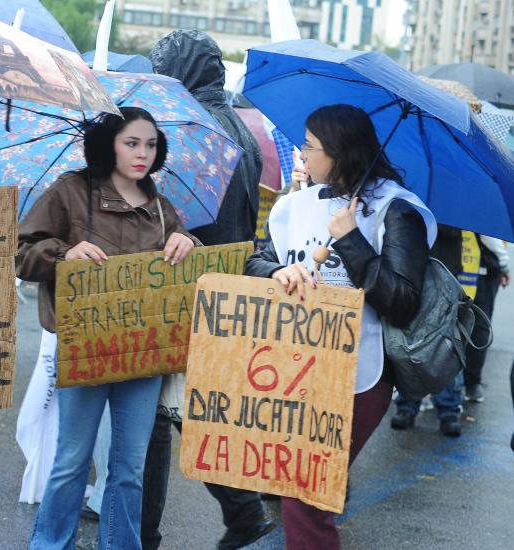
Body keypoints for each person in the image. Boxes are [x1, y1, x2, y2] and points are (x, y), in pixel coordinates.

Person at [245, 104, 437, 549]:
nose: (302, 155)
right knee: (302, 489)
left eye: (310, 146)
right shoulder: (295, 204)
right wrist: (278, 271)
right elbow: (257, 260)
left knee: (305, 492)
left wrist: (351, 239)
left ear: (339, 150)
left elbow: (402, 301)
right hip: (294, 369)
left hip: (360, 375)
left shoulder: (396, 210)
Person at [19, 106, 197, 549]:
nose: (142, 154)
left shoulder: (160, 207)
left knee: (130, 469)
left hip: (144, 353)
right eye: (131, 143)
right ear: (108, 144)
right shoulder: (71, 191)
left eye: (151, 145)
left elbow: (188, 265)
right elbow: (21, 252)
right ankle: (49, 544)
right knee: (71, 462)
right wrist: (64, 253)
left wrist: (188, 241)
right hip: (85, 347)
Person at [144, 29, 273, 550]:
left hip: (185, 285)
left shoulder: (188, 127)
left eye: (162, 69)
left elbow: (175, 213)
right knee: (194, 411)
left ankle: (146, 533)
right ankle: (244, 513)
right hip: (225, 284)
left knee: (158, 417)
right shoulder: (238, 126)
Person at [390, 225, 465, 436]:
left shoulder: (455, 205)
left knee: (446, 343)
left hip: (446, 270)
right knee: (408, 341)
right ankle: (407, 404)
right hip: (412, 268)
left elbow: (453, 230)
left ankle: (448, 409)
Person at [464, 235, 510, 402]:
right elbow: (490, 237)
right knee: (480, 327)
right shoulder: (485, 215)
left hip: (455, 265)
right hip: (482, 270)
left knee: (452, 325)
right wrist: (504, 265)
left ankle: (447, 386)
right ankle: (472, 384)